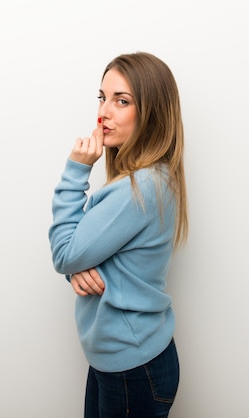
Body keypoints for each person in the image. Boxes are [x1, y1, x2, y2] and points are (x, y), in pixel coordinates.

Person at [48, 51, 188, 418]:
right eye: (102, 97)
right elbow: (81, 253)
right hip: (127, 361)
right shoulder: (148, 180)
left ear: (151, 113)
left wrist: (76, 170)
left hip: (132, 368)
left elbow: (66, 251)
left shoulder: (137, 188)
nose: (103, 112)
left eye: (121, 101)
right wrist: (76, 269)